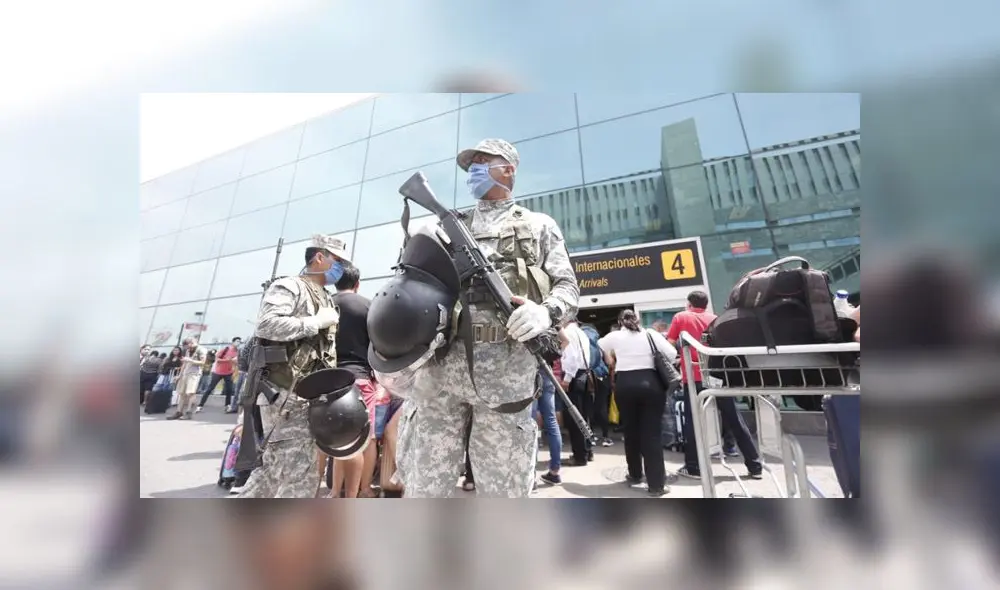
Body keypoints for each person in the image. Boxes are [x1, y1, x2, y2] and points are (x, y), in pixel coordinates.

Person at [370, 138, 579, 498]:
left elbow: (568, 287)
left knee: (503, 492)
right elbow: (412, 285)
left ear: (508, 169)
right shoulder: (446, 227)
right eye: (472, 165)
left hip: (506, 373)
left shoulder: (538, 224)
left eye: (484, 162)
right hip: (441, 374)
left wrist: (546, 312)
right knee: (424, 487)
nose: (475, 171)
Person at [238, 234, 346, 498]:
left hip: (309, 395)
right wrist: (314, 322)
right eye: (337, 260)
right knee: (291, 472)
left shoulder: (326, 297)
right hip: (285, 393)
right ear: (319, 257)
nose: (340, 267)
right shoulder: (291, 286)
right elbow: (267, 324)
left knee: (283, 469)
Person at [666, 290, 762, 480]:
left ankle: (693, 467)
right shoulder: (716, 318)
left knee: (693, 423)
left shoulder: (681, 316)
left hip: (693, 378)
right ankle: (755, 465)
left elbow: (669, 345)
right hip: (717, 376)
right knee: (734, 419)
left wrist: (679, 358)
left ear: (689, 303)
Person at [598, 309, 676, 496]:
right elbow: (672, 354)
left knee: (631, 431)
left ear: (620, 321)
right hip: (650, 384)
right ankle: (656, 485)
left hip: (625, 385)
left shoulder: (615, 336)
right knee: (652, 435)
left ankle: (634, 474)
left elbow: (600, 344)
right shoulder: (650, 334)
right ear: (638, 320)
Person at [323, 264, 383, 498]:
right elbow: (380, 345)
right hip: (359, 379)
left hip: (326, 379)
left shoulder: (324, 305)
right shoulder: (368, 306)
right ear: (357, 284)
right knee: (361, 441)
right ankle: (359, 492)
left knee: (335, 440)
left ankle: (333, 492)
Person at [559, 320, 594, 467]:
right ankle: (588, 450)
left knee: (574, 419)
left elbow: (571, 358)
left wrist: (566, 379)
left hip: (573, 377)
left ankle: (580, 456)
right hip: (585, 375)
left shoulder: (567, 333)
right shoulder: (582, 333)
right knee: (583, 417)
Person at [196, 337, 240, 414]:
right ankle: (200, 405)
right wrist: (227, 360)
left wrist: (234, 365)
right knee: (210, 388)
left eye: (239, 341)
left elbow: (236, 362)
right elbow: (217, 360)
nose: (238, 343)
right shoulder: (226, 349)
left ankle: (228, 405)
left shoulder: (237, 352)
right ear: (233, 342)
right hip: (218, 372)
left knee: (229, 390)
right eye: (237, 341)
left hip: (228, 373)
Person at [167, 337, 207, 420]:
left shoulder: (201, 350)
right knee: (181, 393)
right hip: (186, 373)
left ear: (192, 342)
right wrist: (179, 375)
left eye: (188, 345)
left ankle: (189, 412)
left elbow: (203, 362)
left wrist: (190, 360)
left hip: (194, 373)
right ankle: (179, 412)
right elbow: (184, 364)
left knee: (191, 393)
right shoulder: (188, 351)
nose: (187, 348)